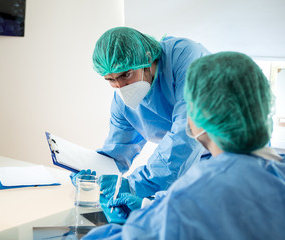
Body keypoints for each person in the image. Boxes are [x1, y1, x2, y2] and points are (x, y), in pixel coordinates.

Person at [82, 52, 285, 239]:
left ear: (201, 114)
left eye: (187, 105)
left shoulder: (202, 188)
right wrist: (145, 205)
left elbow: (150, 228)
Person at [72, 26, 210, 198]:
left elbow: (188, 131)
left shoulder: (185, 56)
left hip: (232, 154)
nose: (120, 87)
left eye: (126, 75)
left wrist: (136, 184)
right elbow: (117, 152)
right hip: (190, 167)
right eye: (110, 80)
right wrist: (94, 174)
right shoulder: (123, 105)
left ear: (147, 58)